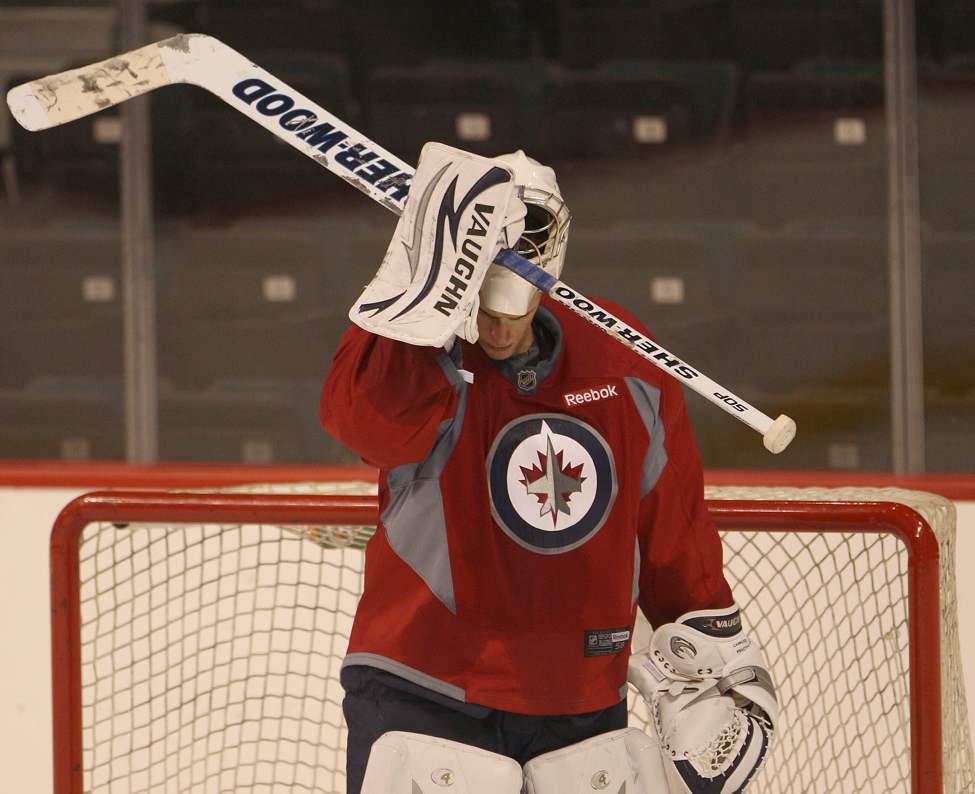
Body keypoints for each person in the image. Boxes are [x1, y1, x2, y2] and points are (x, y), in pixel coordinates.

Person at [320, 144, 777, 794]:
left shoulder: (625, 360)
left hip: (578, 694)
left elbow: (670, 522)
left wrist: (709, 642)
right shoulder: (421, 348)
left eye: (512, 314)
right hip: (421, 684)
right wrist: (413, 287)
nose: (495, 333)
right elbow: (361, 422)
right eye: (480, 311)